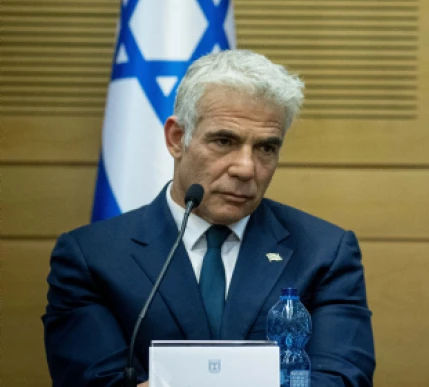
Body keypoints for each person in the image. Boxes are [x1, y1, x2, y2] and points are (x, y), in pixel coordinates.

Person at [43, 50, 375, 387]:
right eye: (223, 141)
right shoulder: (92, 257)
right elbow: (91, 381)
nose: (246, 168)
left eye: (265, 148)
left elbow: (343, 378)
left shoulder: (323, 252)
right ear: (177, 139)